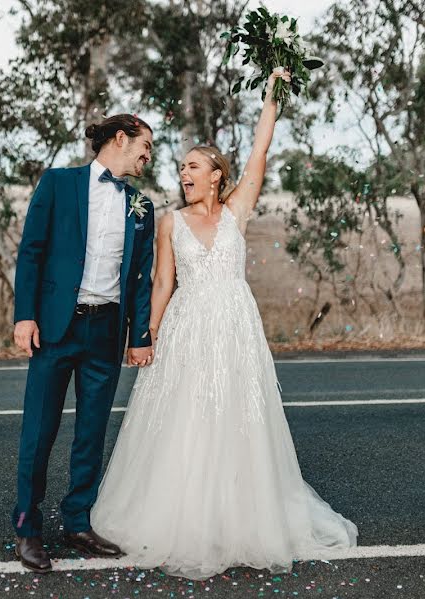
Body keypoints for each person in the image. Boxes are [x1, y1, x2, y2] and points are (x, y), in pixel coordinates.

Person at [90, 69, 358, 580]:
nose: (183, 174)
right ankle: (185, 521)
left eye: (193, 166)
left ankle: (241, 521)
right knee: (187, 424)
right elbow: (163, 285)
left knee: (238, 420)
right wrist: (143, 337)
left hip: (236, 328)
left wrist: (271, 99)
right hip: (189, 329)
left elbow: (260, 150)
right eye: (181, 168)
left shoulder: (238, 211)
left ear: (216, 173)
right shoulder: (169, 221)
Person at [11, 114, 156, 572]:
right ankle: (27, 528)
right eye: (145, 146)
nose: (148, 156)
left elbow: (139, 280)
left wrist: (140, 336)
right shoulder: (58, 183)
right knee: (40, 432)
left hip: (106, 333)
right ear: (120, 139)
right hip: (57, 327)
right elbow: (31, 250)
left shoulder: (141, 206)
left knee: (91, 434)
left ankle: (77, 521)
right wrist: (25, 316)